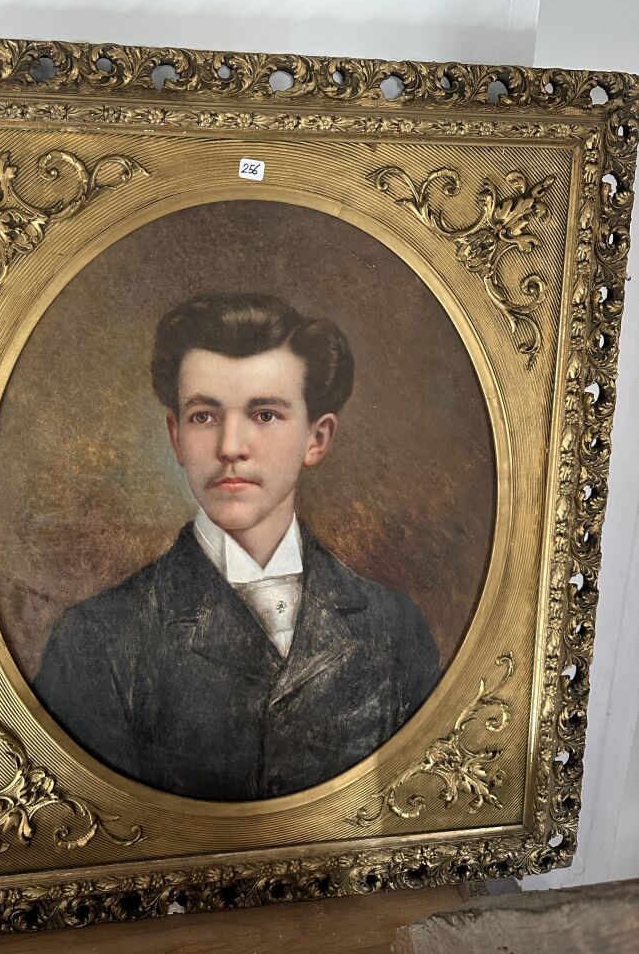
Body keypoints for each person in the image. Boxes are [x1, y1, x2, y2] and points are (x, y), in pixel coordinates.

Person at [34, 293, 440, 800]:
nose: (230, 447)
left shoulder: (395, 627)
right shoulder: (95, 639)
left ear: (317, 438)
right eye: (204, 416)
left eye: (264, 415)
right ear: (176, 437)